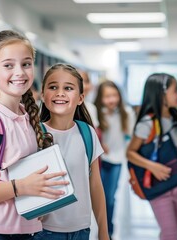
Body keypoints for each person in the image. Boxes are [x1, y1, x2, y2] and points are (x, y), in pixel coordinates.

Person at [0, 30, 69, 240]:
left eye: (26, 64)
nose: (20, 72)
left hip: (27, 230)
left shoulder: (27, 117)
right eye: (8, 65)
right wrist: (21, 187)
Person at [34, 63, 109, 240]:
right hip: (43, 231)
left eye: (68, 88)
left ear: (81, 97)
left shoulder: (87, 133)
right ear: (43, 95)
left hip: (82, 229)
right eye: (53, 87)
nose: (60, 93)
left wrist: (104, 233)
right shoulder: (34, 134)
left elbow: (96, 186)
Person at [126, 73, 177, 240]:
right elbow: (130, 153)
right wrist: (153, 166)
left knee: (175, 232)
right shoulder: (147, 123)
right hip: (158, 186)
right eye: (176, 90)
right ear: (161, 94)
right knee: (170, 233)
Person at [94, 80, 135, 239]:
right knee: (98, 197)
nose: (111, 99)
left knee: (109, 198)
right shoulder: (96, 112)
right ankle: (99, 228)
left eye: (114, 95)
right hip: (98, 161)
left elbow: (129, 136)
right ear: (100, 98)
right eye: (107, 96)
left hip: (116, 160)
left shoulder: (127, 113)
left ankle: (108, 230)